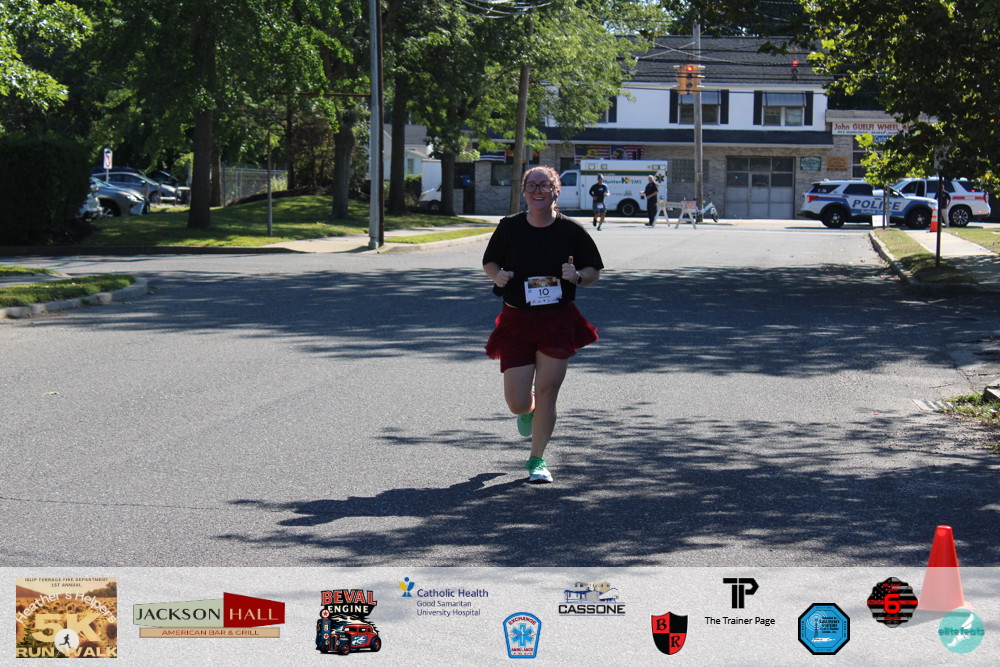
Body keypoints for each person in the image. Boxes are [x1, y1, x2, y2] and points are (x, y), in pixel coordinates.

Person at [482, 165, 604, 484]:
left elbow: (593, 270)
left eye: (544, 184)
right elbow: (489, 261)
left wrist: (577, 277)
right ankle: (529, 407)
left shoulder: (571, 231)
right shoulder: (509, 227)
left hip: (557, 319)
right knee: (518, 403)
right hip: (517, 320)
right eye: (531, 185)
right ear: (524, 191)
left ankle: (537, 459)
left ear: (556, 190)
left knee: (549, 391)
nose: (538, 190)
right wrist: (497, 275)